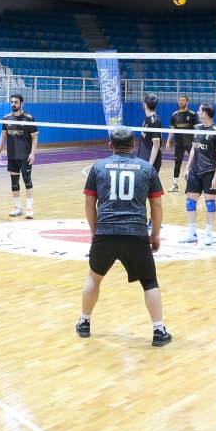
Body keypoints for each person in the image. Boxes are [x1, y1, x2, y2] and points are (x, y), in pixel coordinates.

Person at [77, 126, 170, 347]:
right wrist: (155, 234)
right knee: (149, 281)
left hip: (106, 233)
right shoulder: (147, 169)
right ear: (134, 145)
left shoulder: (98, 168)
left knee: (94, 277)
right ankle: (158, 330)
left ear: (110, 145)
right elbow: (156, 205)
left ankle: (84, 322)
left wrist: (95, 232)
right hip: (136, 233)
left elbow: (89, 204)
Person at [182, 103, 216, 244]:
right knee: (190, 202)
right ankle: (192, 233)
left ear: (205, 113)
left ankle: (208, 234)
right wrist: (187, 168)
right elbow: (193, 149)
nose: (197, 112)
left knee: (210, 203)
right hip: (195, 171)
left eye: (199, 110)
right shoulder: (197, 128)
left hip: (210, 171)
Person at [0, 92, 38, 218]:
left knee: (27, 181)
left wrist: (32, 154)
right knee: (14, 183)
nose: (13, 104)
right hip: (12, 156)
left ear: (21, 104)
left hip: (25, 156)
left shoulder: (29, 118)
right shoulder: (6, 118)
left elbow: (35, 138)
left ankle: (29, 209)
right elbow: (3, 135)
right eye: (12, 102)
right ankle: (17, 207)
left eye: (16, 102)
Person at [168, 95, 195, 193]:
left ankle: (191, 186)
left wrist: (196, 141)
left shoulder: (192, 114)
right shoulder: (174, 115)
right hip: (179, 143)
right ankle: (175, 186)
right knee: (177, 163)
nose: (181, 102)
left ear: (187, 102)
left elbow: (197, 130)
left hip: (190, 143)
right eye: (179, 100)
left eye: (183, 100)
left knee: (193, 163)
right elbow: (172, 129)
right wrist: (168, 141)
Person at [136, 93, 163, 173]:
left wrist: (150, 165)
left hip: (149, 162)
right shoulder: (147, 119)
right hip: (143, 158)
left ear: (145, 104)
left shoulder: (155, 121)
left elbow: (156, 145)